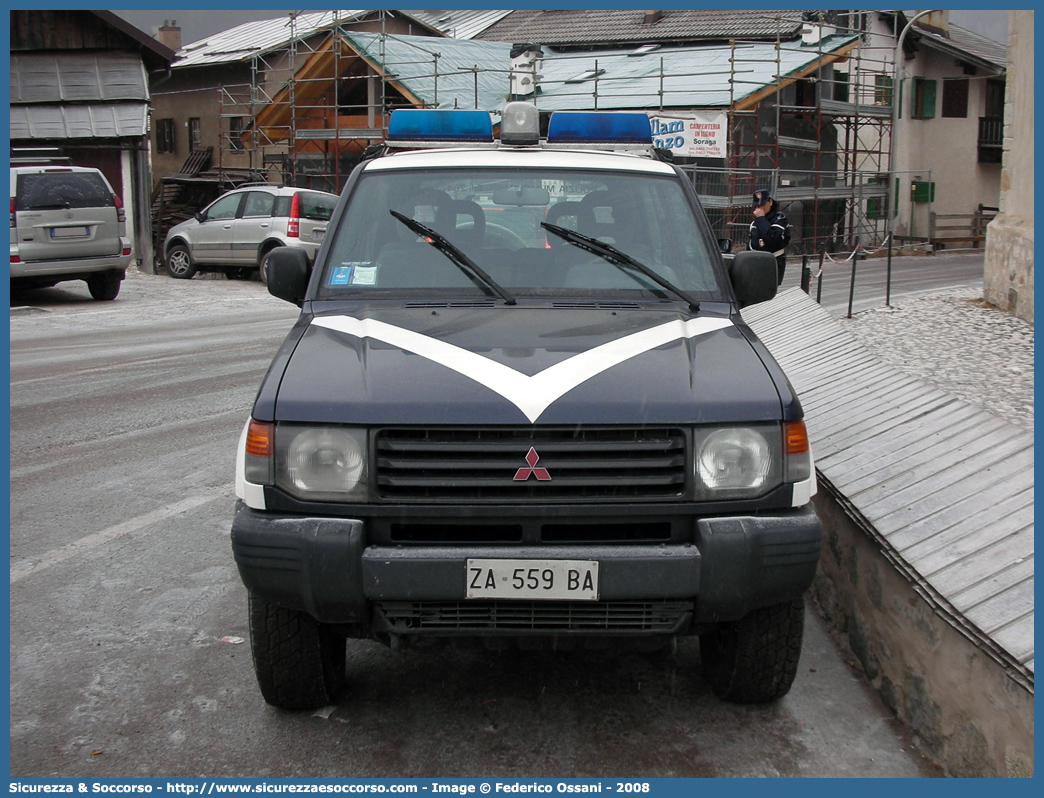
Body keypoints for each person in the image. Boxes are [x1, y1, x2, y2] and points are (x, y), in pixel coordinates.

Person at [748, 189, 790, 285]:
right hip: (756, 263)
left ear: (770, 202)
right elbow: (752, 244)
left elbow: (770, 237)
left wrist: (761, 218)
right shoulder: (755, 223)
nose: (760, 208)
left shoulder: (780, 218)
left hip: (773, 262)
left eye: (763, 205)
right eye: (757, 206)